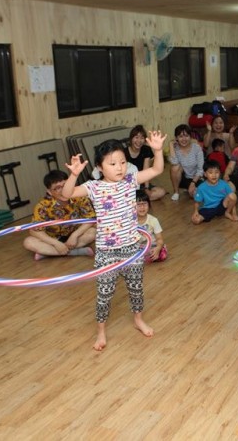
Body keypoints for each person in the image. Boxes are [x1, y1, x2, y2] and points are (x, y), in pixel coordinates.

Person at [62, 132, 167, 351]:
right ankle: (101, 331)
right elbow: (66, 194)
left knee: (136, 289)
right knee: (104, 294)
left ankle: (138, 319)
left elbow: (157, 170)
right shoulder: (93, 187)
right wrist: (73, 175)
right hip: (106, 252)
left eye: (122, 162)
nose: (119, 167)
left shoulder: (130, 181)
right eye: (112, 164)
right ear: (99, 167)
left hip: (132, 248)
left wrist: (157, 151)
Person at [23, 170, 97, 261]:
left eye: (65, 185)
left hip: (74, 235)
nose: (62, 190)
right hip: (52, 239)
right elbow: (34, 230)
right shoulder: (42, 206)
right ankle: (76, 251)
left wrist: (75, 235)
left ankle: (48, 253)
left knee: (94, 231)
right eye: (57, 188)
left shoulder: (80, 197)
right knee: (28, 242)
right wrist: (55, 243)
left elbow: (91, 218)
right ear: (49, 192)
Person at [125, 125, 167, 201]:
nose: (139, 141)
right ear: (131, 138)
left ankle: (139, 199)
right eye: (136, 137)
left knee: (161, 192)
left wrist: (146, 188)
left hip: (142, 181)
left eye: (142, 138)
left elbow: (146, 169)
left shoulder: (146, 149)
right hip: (128, 184)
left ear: (145, 140)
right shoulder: (124, 152)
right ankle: (140, 199)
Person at [192, 160, 238, 224]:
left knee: (233, 195)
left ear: (220, 173)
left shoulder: (224, 184)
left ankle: (227, 213)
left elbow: (232, 200)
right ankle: (206, 216)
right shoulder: (201, 187)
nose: (214, 175)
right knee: (196, 220)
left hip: (221, 207)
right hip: (208, 209)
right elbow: (197, 202)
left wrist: (234, 213)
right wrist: (195, 212)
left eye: (216, 172)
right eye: (210, 172)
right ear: (205, 174)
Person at [169, 124, 204, 201]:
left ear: (190, 137)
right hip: (182, 179)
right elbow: (174, 163)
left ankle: (190, 188)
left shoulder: (196, 148)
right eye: (180, 136)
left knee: (196, 195)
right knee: (175, 167)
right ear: (176, 138)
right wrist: (171, 145)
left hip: (196, 178)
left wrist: (193, 183)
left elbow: (200, 170)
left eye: (186, 136)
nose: (184, 139)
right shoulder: (175, 148)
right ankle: (176, 192)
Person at [135, 190, 168, 263]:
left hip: (151, 246)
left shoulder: (153, 220)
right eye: (138, 205)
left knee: (161, 254)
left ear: (149, 205)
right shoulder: (130, 222)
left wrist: (158, 248)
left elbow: (159, 238)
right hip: (137, 247)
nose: (142, 207)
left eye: (144, 204)